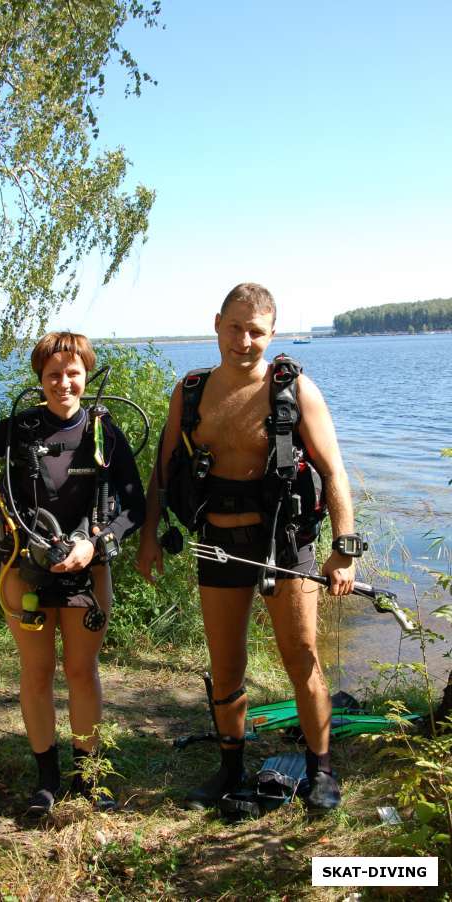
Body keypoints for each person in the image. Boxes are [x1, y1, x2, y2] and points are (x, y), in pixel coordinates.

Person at [136, 283, 357, 813]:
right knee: (226, 663)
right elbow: (162, 473)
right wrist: (148, 537)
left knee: (301, 657)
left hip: (285, 545)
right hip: (217, 546)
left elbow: (333, 471)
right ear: (216, 324)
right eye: (235, 327)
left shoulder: (295, 389)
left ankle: (321, 770)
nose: (244, 340)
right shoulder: (189, 390)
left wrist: (344, 548)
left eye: (256, 331)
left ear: (272, 334)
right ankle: (230, 771)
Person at [0, 331, 145, 815]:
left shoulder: (104, 432)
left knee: (82, 672)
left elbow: (136, 505)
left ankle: (88, 778)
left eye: (73, 373)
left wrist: (96, 542)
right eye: (53, 374)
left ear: (86, 376)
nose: (63, 383)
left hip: (90, 572)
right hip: (24, 570)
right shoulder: (19, 430)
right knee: (38, 672)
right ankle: (46, 781)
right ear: (40, 378)